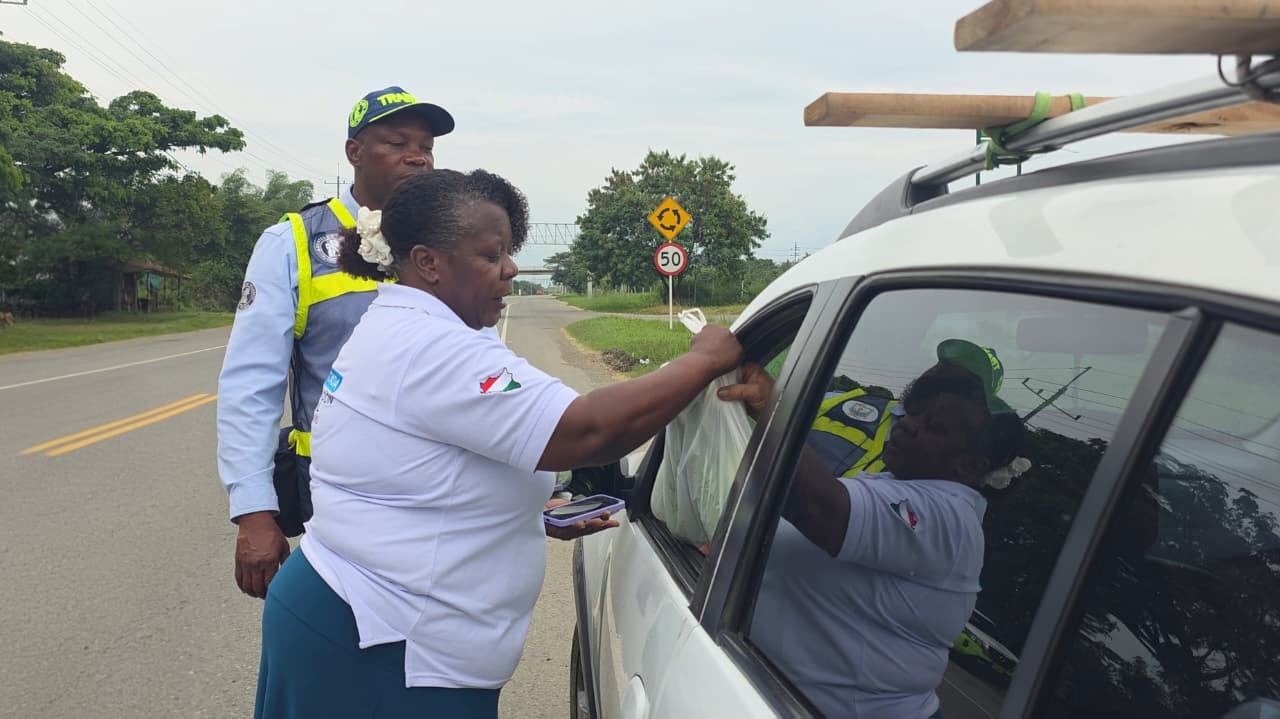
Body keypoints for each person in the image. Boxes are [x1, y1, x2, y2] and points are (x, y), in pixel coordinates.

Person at [253, 168, 743, 718]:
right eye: (492, 256)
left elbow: (415, 470)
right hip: (380, 645)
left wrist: (517, 513)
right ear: (428, 262)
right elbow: (586, 432)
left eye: (509, 252)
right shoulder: (432, 346)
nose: (511, 270)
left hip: (362, 619)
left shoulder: (400, 324)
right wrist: (704, 361)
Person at [217, 86, 455, 599]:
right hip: (339, 500)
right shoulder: (294, 242)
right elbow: (251, 386)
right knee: (342, 644)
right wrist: (254, 510)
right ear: (354, 153)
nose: (417, 156)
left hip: (440, 497)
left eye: (426, 146)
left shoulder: (447, 242)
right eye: (396, 142)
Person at [717, 343, 1025, 719]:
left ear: (969, 466)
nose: (908, 423)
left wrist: (775, 408)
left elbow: (818, 508)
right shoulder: (902, 484)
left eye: (935, 428)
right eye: (918, 412)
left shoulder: (946, 518)